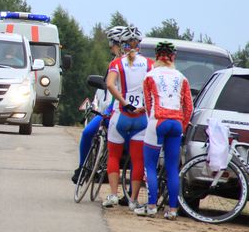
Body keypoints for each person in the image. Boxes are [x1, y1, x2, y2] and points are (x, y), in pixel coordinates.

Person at [136, 41, 193, 219]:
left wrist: (151, 123)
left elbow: (147, 104)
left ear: (156, 57)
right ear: (173, 57)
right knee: (171, 168)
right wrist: (182, 126)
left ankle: (151, 206)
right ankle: (173, 209)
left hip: (157, 121)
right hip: (176, 123)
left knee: (151, 166)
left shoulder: (150, 76)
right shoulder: (182, 77)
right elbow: (189, 107)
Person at [103, 26, 153, 209]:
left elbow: (109, 84)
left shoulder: (117, 63)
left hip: (121, 115)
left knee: (114, 156)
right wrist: (145, 106)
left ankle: (113, 195)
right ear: (139, 44)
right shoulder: (149, 64)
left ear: (122, 45)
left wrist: (124, 102)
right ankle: (133, 200)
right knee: (138, 159)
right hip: (142, 117)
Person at [72, 26, 127, 183]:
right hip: (120, 110)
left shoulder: (120, 64)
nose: (110, 47)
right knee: (88, 132)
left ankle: (83, 169)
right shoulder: (116, 62)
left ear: (118, 43)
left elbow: (112, 89)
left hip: (117, 111)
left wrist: (109, 109)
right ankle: (83, 169)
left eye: (112, 43)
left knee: (88, 133)